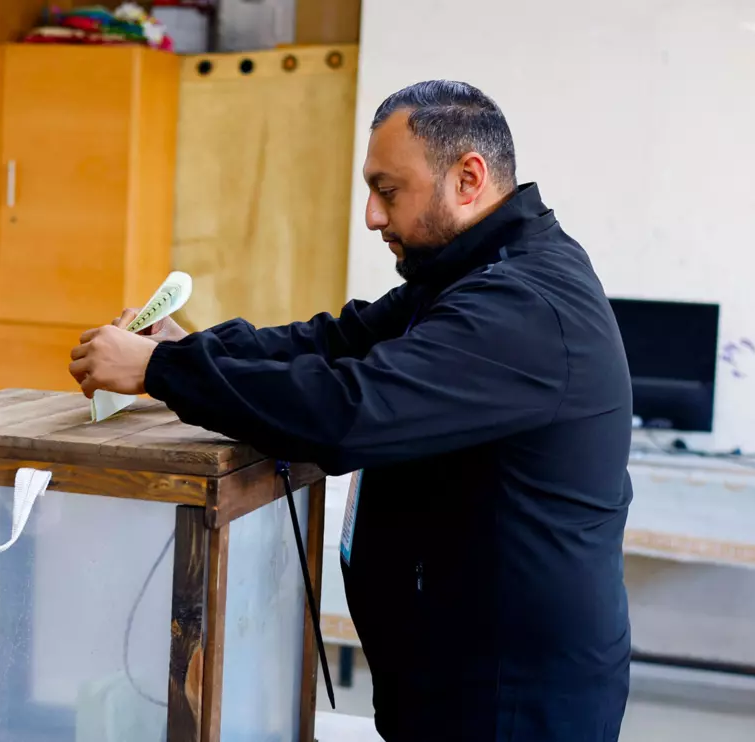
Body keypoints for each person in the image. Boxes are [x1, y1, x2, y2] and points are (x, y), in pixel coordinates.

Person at [69, 80, 632, 741]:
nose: (370, 215)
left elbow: (348, 414)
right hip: (451, 673)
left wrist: (158, 372)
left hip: (508, 700)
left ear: (468, 178)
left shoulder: (521, 306)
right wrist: (183, 349)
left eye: (387, 190)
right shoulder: (464, 277)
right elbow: (330, 341)